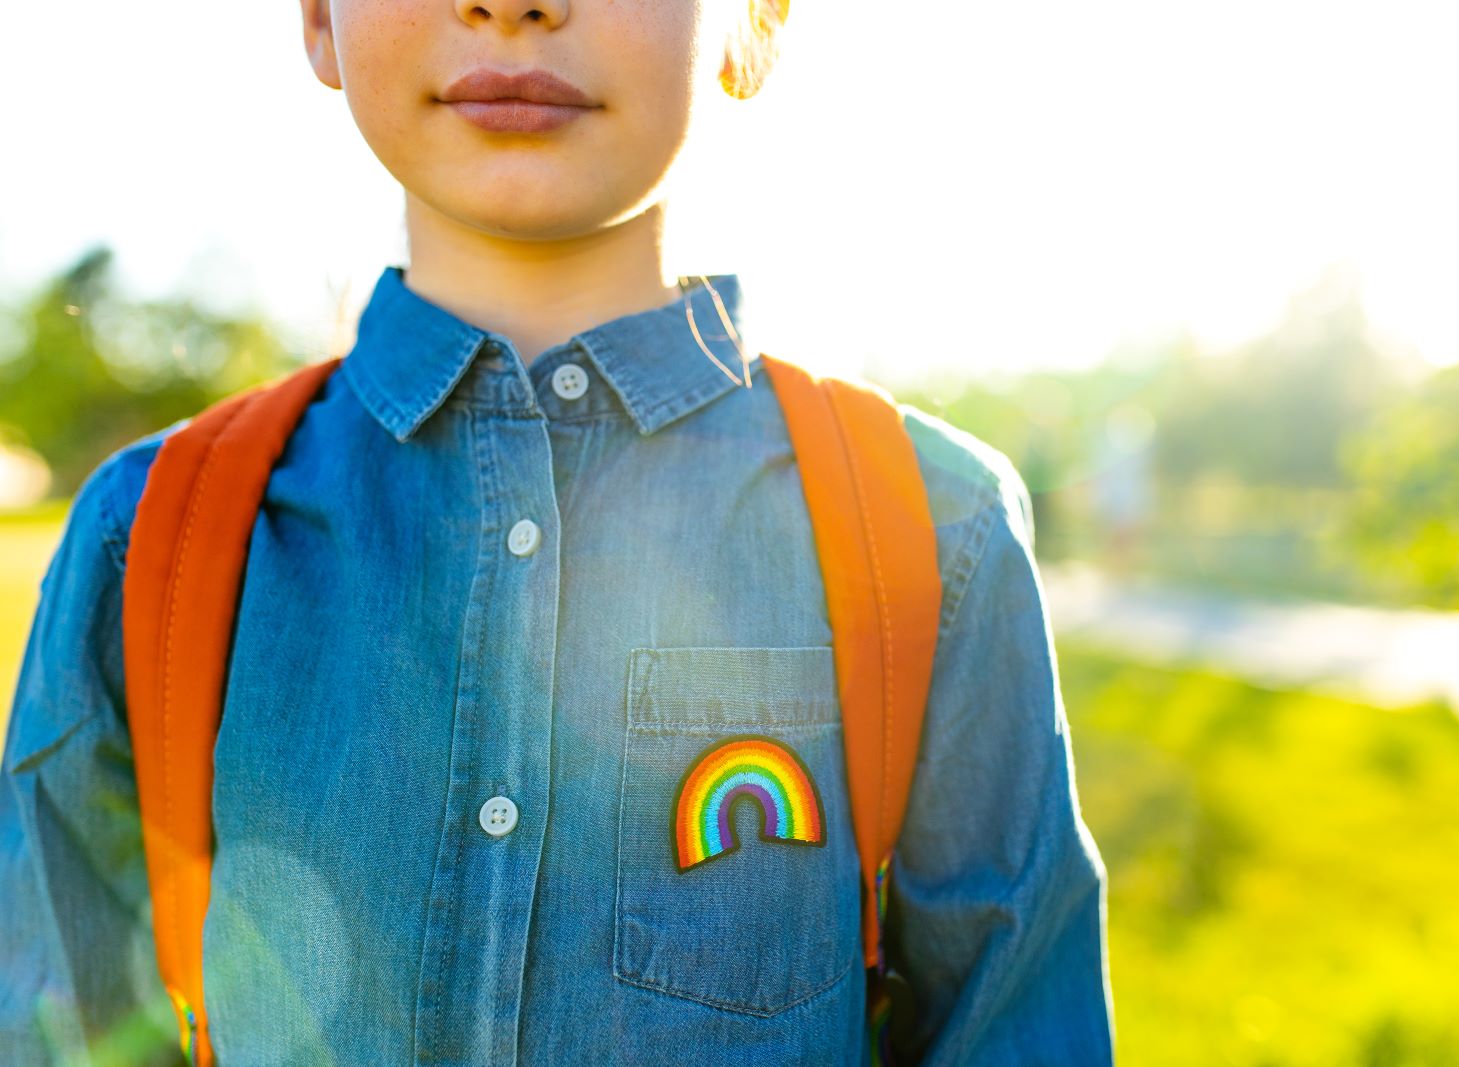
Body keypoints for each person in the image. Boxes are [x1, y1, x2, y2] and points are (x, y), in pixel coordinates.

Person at [0, 0, 1115, 1062]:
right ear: (313, 17)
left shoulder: (928, 530)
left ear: (753, 20)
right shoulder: (148, 540)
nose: (513, 2)